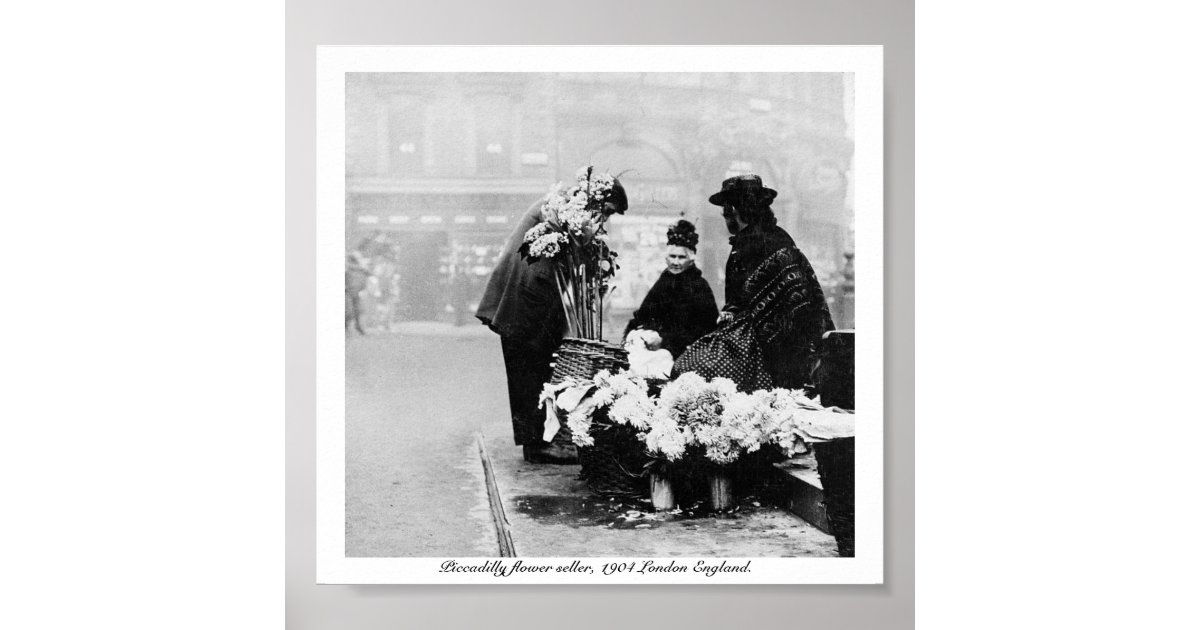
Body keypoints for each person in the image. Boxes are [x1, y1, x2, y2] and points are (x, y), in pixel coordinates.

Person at [476, 180, 629, 463]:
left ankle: (539, 442)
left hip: (529, 299)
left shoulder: (562, 206)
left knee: (532, 373)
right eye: (605, 212)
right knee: (529, 373)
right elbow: (557, 259)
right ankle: (537, 445)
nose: (604, 220)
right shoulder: (561, 210)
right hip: (525, 300)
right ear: (594, 200)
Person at [674, 174, 834, 393]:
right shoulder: (778, 236)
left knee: (688, 369)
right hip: (797, 348)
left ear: (733, 211)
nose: (725, 217)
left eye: (725, 212)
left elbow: (743, 308)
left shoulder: (749, 244)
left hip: (764, 351)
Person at [623, 219, 719, 360]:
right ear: (666, 258)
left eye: (681, 257)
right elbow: (643, 315)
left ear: (691, 260)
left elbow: (703, 330)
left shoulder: (699, 286)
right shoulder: (663, 282)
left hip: (686, 353)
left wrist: (665, 341)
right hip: (653, 347)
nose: (675, 262)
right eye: (672, 256)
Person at [345, 251, 370, 335]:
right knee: (350, 311)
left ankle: (357, 326)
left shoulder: (357, 269)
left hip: (354, 292)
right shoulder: (349, 269)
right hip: (349, 292)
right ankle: (350, 326)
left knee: (356, 311)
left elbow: (367, 274)